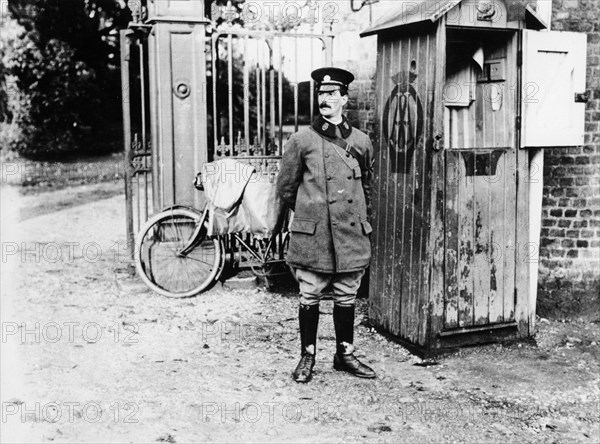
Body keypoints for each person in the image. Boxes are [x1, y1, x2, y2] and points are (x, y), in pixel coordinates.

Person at [276, 67, 376, 383]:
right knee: (310, 295)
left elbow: (368, 189)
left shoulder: (361, 141)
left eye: (332, 94)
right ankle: (308, 355)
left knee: (347, 294)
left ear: (345, 98)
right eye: (321, 93)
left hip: (350, 233)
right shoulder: (301, 140)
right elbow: (286, 189)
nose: (325, 99)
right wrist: (312, 214)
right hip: (314, 233)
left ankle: (344, 354)